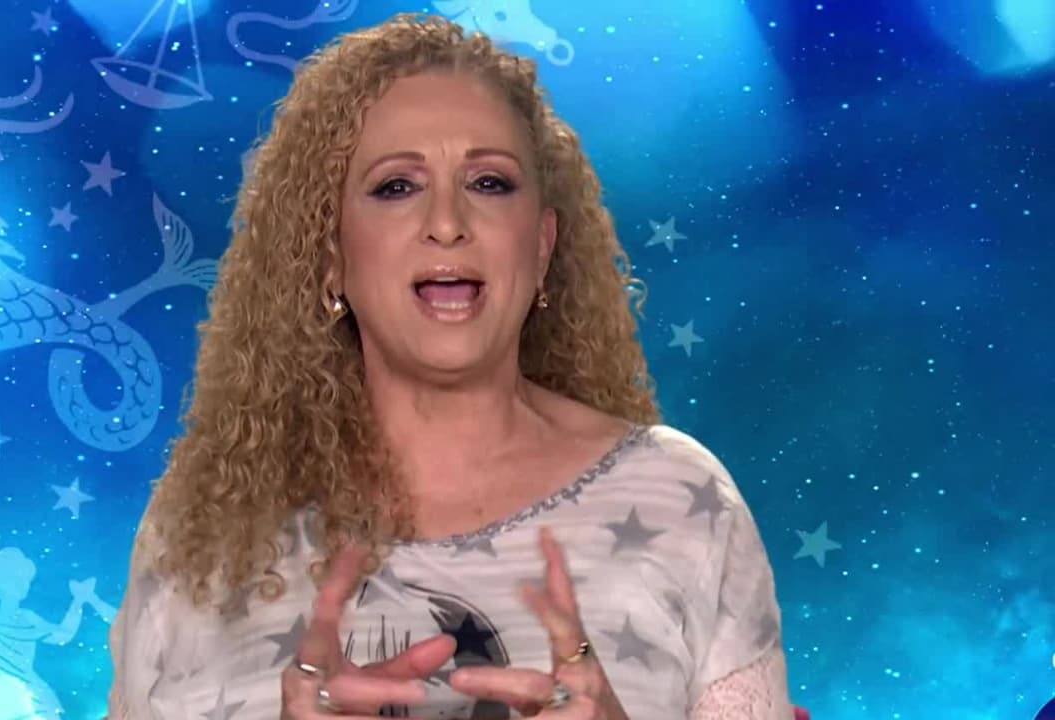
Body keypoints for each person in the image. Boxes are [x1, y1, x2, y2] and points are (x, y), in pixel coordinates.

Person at [107, 13, 794, 720]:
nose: (446, 223)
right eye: (396, 187)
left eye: (490, 183)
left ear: (542, 247)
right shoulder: (203, 534)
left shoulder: (680, 500)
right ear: (330, 256)